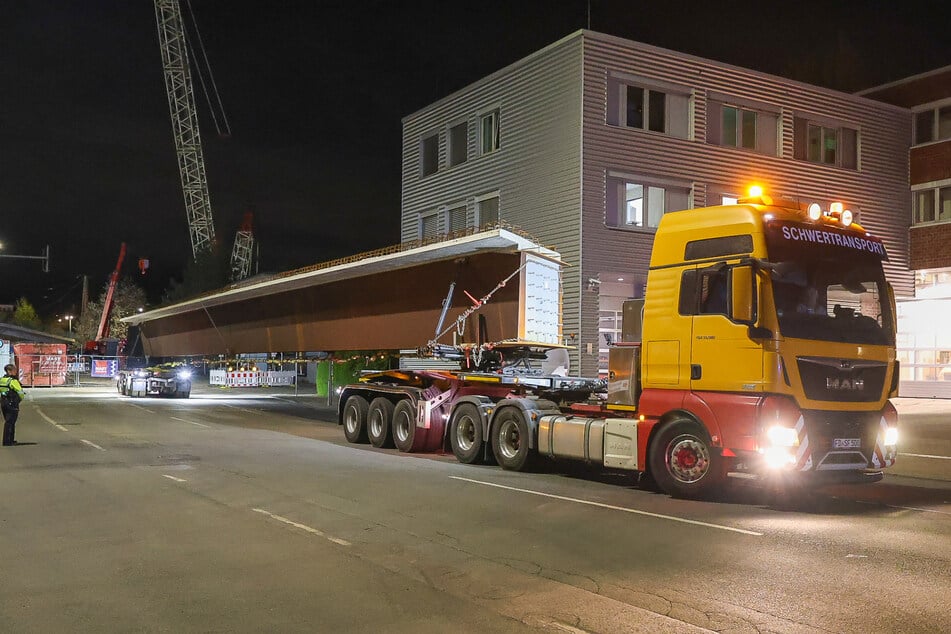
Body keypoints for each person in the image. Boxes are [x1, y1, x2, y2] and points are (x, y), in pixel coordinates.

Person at [1, 363, 26, 446]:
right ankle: (8, 441)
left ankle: (8, 440)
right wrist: (18, 400)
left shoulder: (2, 380)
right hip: (12, 403)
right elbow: (20, 392)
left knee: (8, 421)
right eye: (14, 370)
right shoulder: (13, 381)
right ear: (9, 371)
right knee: (11, 422)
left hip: (3, 403)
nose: (16, 372)